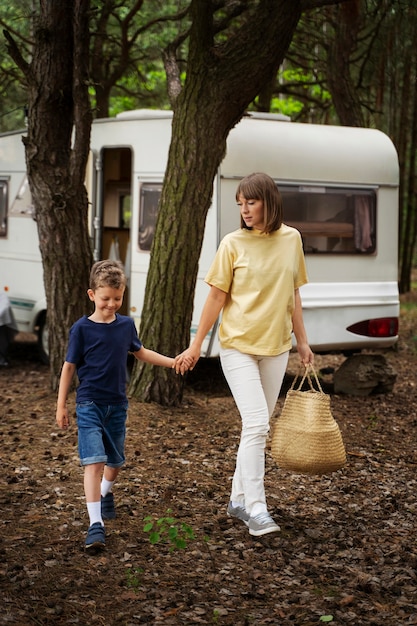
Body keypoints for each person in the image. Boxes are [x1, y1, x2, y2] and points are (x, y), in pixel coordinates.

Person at [175, 172, 314, 537]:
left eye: (250, 202)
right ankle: (256, 508)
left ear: (269, 200)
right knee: (257, 424)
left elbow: (293, 294)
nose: (245, 210)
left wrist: (303, 340)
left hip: (277, 348)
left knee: (255, 427)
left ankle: (237, 499)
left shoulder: (292, 239)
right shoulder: (232, 243)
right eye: (240, 204)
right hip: (237, 347)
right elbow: (216, 298)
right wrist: (195, 343)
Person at [56, 259, 182, 552]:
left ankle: (105, 493)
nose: (112, 304)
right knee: (95, 462)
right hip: (89, 403)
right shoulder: (81, 329)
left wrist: (172, 362)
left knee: (115, 463)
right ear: (92, 295)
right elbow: (68, 367)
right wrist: (61, 406)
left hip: (117, 405)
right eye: (105, 299)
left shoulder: (126, 325)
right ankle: (95, 525)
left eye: (117, 298)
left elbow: (141, 353)